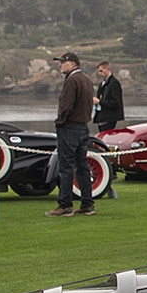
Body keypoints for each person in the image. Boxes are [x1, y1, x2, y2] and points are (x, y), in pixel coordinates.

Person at [47, 51, 98, 217]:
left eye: (63, 62)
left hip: (70, 127)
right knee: (82, 166)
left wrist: (60, 121)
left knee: (66, 167)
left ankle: (65, 205)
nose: (60, 65)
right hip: (83, 126)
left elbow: (66, 106)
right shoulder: (86, 80)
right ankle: (87, 203)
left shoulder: (72, 80)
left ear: (73, 64)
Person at [92, 59, 125, 132]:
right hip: (101, 117)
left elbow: (116, 103)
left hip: (109, 118)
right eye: (98, 72)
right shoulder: (102, 84)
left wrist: (99, 101)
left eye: (101, 71)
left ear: (107, 68)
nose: (100, 73)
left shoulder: (114, 83)